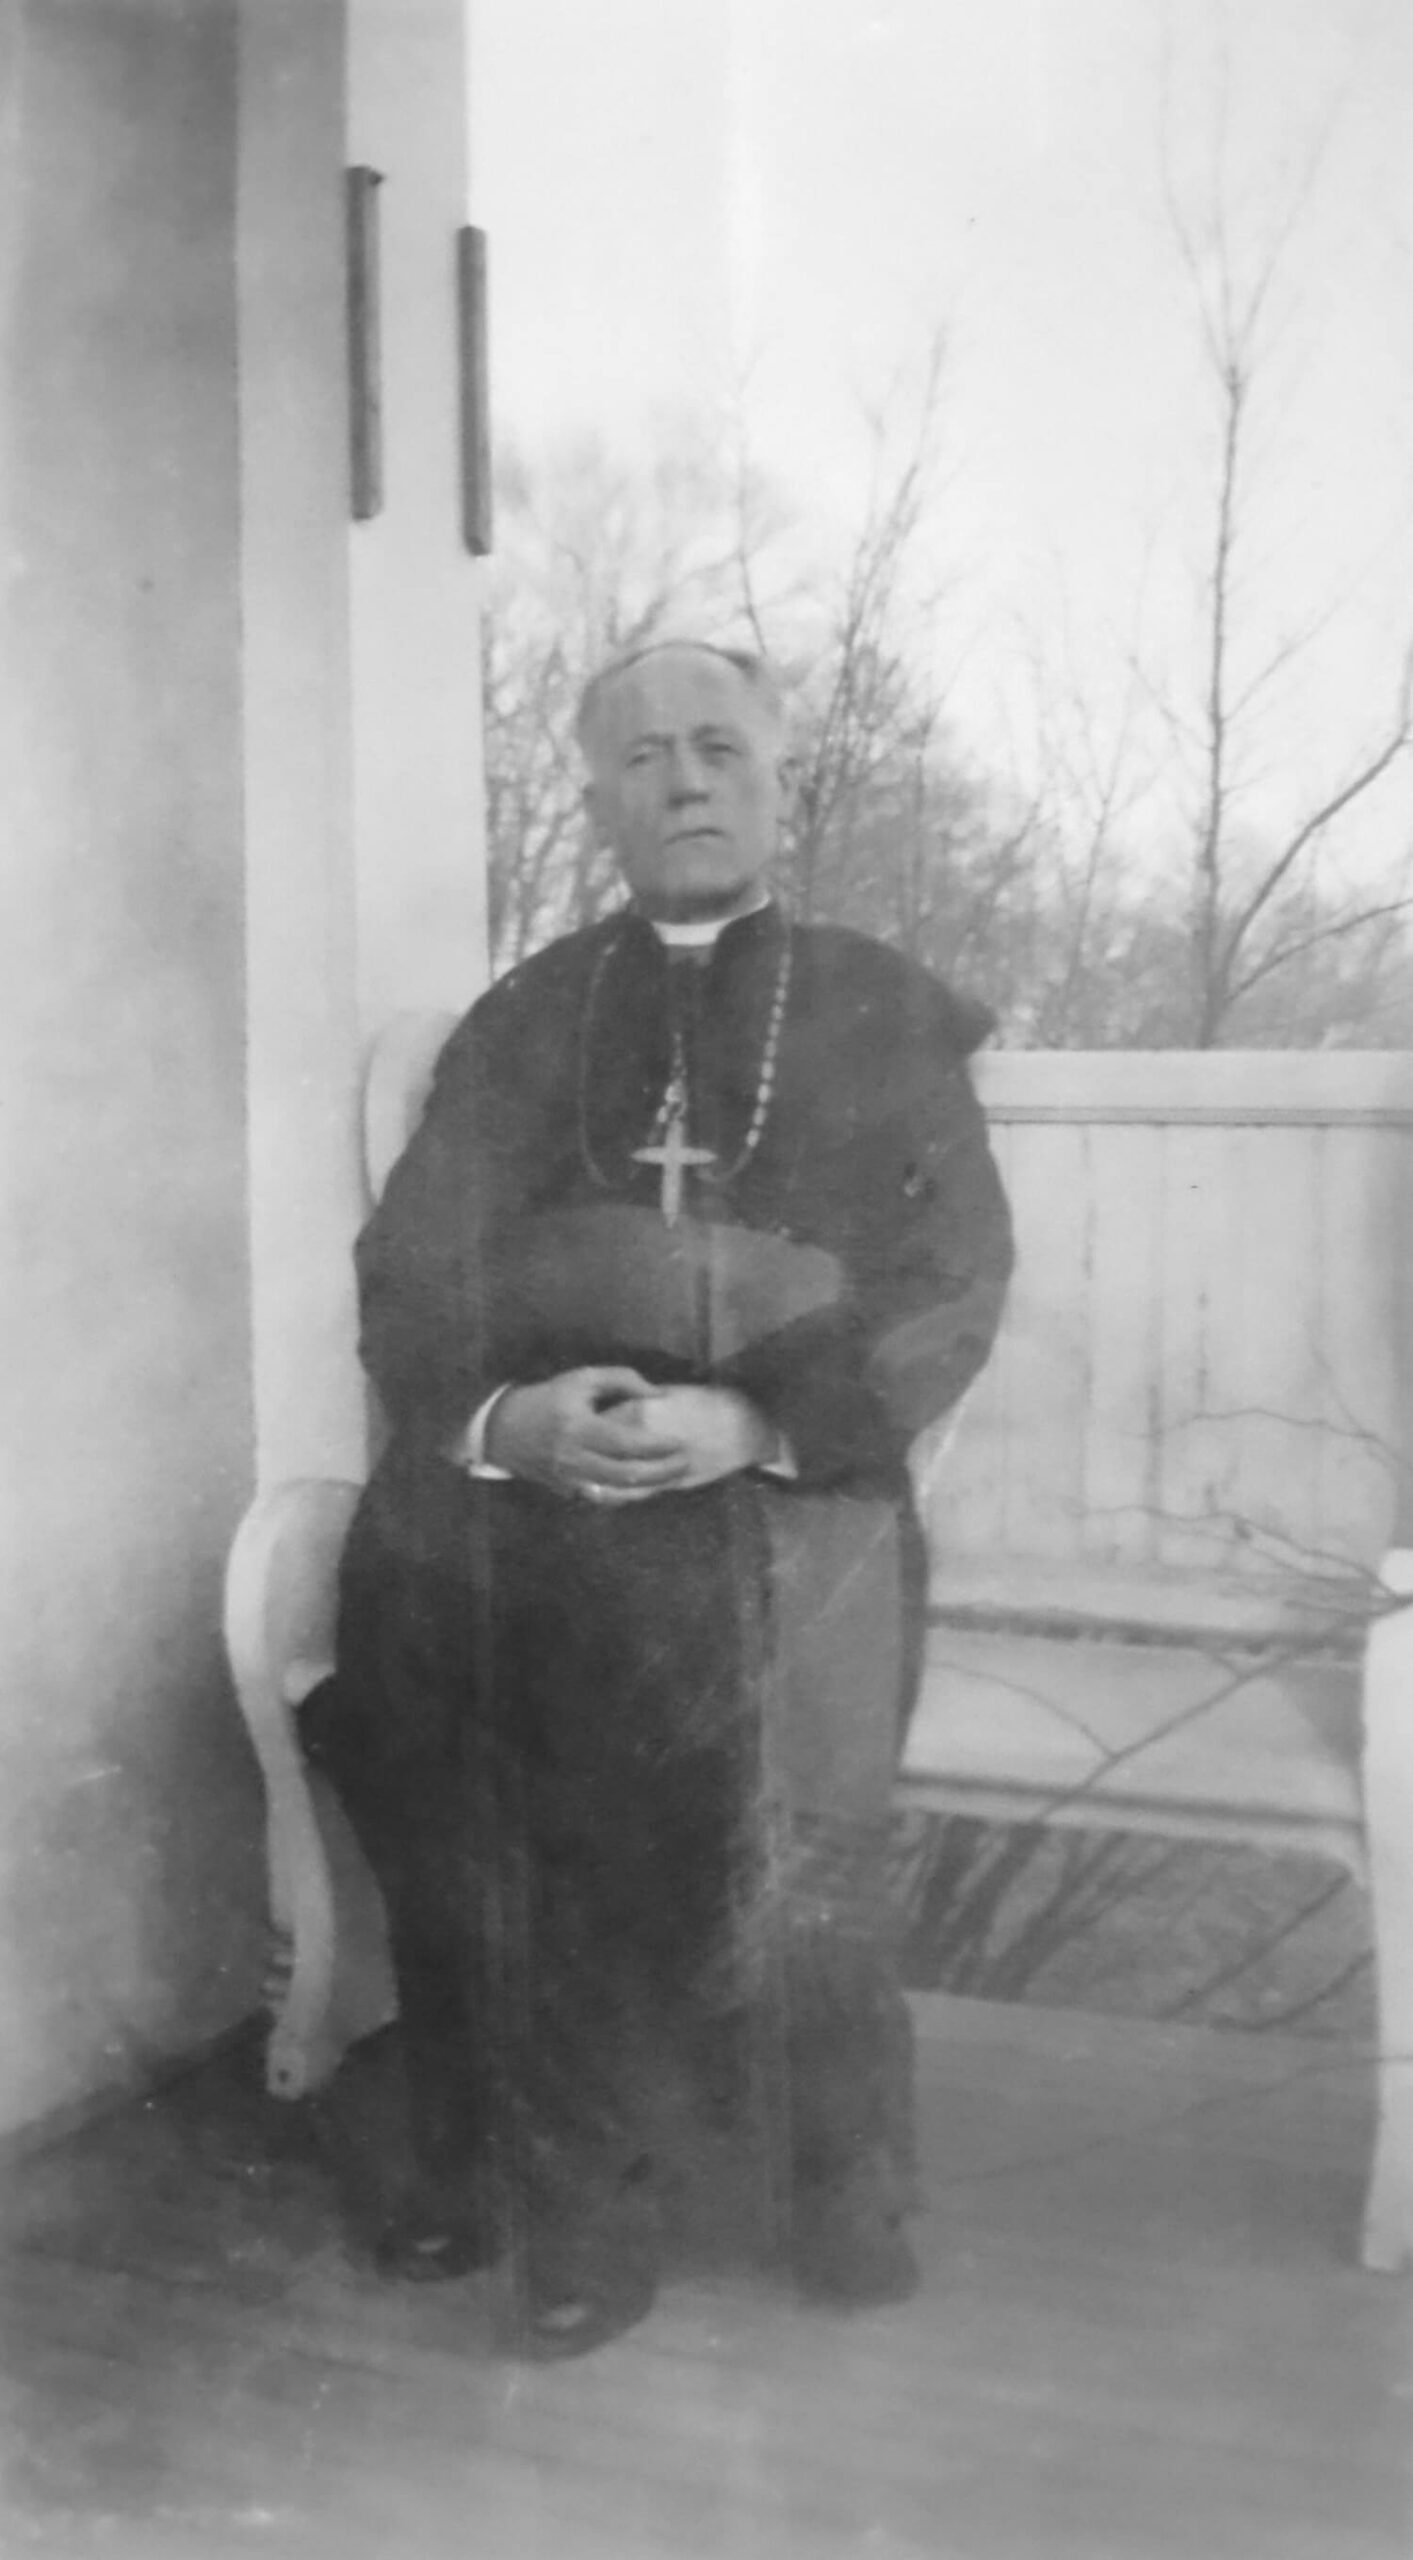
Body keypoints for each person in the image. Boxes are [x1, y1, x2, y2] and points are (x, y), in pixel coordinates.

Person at [315, 639, 1013, 2358]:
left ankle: (770, 2173)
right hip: (542, 1469)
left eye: (716, 749)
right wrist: (510, 1416)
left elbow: (951, 1280)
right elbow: (413, 1269)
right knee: (422, 1657)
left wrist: (752, 1421)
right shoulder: (529, 1017)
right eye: (642, 758)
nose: (684, 780)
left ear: (779, 783)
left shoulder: (879, 1005)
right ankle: (530, 2175)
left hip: (786, 1486)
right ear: (600, 800)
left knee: (671, 1690)